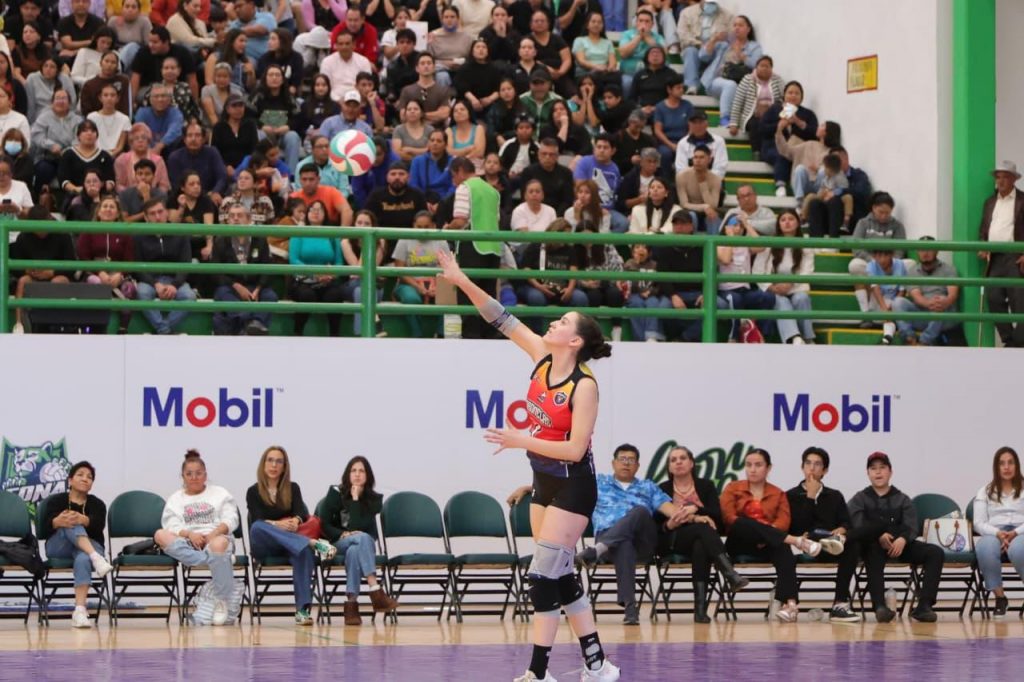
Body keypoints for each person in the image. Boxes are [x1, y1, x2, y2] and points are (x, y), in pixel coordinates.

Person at [437, 248, 620, 682]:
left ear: (575, 341)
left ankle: (538, 672)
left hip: (574, 486)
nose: (553, 323)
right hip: (544, 482)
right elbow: (498, 317)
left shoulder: (584, 386)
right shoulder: (541, 355)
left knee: (540, 576)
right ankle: (597, 664)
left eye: (563, 322)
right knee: (560, 574)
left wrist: (522, 440)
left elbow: (574, 450)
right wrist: (460, 280)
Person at [572, 444, 683, 624]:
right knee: (624, 543)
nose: (626, 463)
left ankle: (595, 551)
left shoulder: (647, 487)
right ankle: (631, 610)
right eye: (622, 459)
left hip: (642, 543)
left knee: (640, 511)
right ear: (613, 463)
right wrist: (530, 489)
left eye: (631, 460)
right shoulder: (598, 483)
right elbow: (566, 490)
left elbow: (673, 512)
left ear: (638, 465)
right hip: (611, 546)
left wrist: (693, 514)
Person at [720, 448, 821, 622]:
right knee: (742, 522)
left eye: (758, 465)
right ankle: (796, 541)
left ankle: (790, 605)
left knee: (784, 549)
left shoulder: (777, 493)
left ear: (768, 468)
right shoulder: (733, 488)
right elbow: (728, 518)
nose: (752, 469)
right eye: (748, 465)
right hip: (738, 542)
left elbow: (783, 522)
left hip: (768, 544)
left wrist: (765, 536)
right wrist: (764, 532)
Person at [656, 445, 749, 623]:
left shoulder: (706, 486)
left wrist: (697, 508)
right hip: (672, 540)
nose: (678, 462)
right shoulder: (662, 488)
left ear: (691, 463)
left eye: (682, 458)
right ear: (669, 467)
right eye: (673, 460)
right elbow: (656, 525)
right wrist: (670, 524)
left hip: (701, 540)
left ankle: (700, 611)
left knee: (701, 546)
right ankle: (730, 573)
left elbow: (717, 516)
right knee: (703, 527)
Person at [847, 452, 944, 623]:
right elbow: (856, 523)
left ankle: (924, 606)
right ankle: (880, 606)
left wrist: (903, 539)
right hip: (873, 547)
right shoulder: (860, 498)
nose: (878, 472)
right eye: (873, 468)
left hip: (901, 546)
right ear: (868, 473)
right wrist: (877, 535)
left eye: (882, 468)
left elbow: (911, 525)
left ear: (890, 472)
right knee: (872, 551)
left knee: (935, 552)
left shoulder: (902, 499)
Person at [246, 446, 336, 626]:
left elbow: (301, 511)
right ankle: (311, 542)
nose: (274, 465)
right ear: (263, 464)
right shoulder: (253, 491)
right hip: (266, 545)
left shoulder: (292, 488)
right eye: (270, 460)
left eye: (279, 461)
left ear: (284, 466)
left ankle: (302, 611)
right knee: (256, 527)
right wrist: (277, 524)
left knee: (304, 553)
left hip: (290, 544)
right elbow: (257, 518)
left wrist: (295, 520)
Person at [154, 450, 243, 626]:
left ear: (205, 475)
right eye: (189, 474)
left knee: (218, 545)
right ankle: (219, 561)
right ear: (183, 477)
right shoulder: (175, 499)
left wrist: (212, 535)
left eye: (198, 473)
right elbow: (171, 524)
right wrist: (190, 534)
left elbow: (231, 519)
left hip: (216, 538)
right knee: (159, 535)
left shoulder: (220, 493)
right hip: (188, 542)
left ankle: (221, 601)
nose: (194, 477)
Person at [784, 447, 861, 622]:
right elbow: (797, 528)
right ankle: (790, 603)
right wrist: (810, 496)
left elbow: (846, 522)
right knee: (812, 534)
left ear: (824, 470)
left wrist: (842, 529)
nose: (812, 468)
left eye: (817, 464)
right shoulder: (790, 495)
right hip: (806, 546)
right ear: (802, 467)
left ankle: (839, 604)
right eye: (808, 463)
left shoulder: (834, 495)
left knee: (854, 542)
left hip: (831, 546)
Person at [320, 456, 399, 625]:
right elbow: (323, 524)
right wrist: (342, 534)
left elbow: (357, 527)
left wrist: (355, 499)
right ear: (347, 474)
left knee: (355, 549)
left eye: (361, 471)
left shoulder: (374, 500)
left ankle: (351, 605)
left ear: (368, 475)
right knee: (361, 538)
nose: (357, 474)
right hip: (335, 543)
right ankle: (375, 589)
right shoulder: (335, 493)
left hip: (361, 544)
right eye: (353, 470)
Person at [39, 461, 112, 629]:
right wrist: (57, 521)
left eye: (89, 477)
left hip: (91, 544)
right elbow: (43, 528)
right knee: (70, 521)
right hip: (59, 547)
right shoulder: (56, 501)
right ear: (70, 480)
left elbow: (98, 526)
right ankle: (96, 558)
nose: (85, 479)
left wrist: (84, 520)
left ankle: (79, 611)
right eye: (80, 475)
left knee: (83, 558)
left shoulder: (97, 504)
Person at [211, 203, 278, 335]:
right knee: (222, 293)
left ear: (249, 219)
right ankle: (250, 323)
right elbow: (215, 271)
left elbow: (267, 265)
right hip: (231, 286)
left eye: (240, 215)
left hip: (255, 286)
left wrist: (259, 288)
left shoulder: (259, 239)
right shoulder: (220, 240)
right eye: (232, 216)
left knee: (271, 296)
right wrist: (236, 285)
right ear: (228, 220)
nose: (235, 219)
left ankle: (254, 323)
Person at [973, 447, 1024, 619]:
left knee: (1019, 549)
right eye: (1002, 463)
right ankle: (1000, 598)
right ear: (996, 467)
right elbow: (978, 523)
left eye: (1010, 463)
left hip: (1021, 532)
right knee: (985, 548)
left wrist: (1015, 532)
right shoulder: (985, 491)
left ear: (1017, 465)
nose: (1006, 467)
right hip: (994, 533)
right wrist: (998, 533)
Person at [135, 199, 198, 334]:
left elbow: (186, 263)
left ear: (167, 213)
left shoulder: (180, 233)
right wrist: (155, 284)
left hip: (175, 279)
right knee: (141, 293)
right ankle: (165, 330)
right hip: (150, 280)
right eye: (152, 214)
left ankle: (162, 329)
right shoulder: (138, 236)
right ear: (146, 217)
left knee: (190, 297)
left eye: (160, 212)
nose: (157, 217)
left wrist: (175, 285)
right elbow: (138, 266)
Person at [979, 160, 1024, 347]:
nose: (1001, 181)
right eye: (998, 177)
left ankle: (1020, 341)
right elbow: (984, 227)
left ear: (1014, 179)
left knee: (1019, 300)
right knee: (993, 297)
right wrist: (982, 245)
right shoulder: (990, 202)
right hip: (995, 257)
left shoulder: (1022, 200)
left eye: (1005, 177)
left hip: (1015, 256)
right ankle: (1009, 340)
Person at [288, 200, 347, 336]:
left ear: (325, 214)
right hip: (302, 281)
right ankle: (297, 334)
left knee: (335, 295)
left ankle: (335, 336)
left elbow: (339, 262)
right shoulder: (298, 232)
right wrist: (314, 273)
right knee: (306, 295)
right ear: (306, 214)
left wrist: (331, 274)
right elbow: (294, 260)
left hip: (327, 281)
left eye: (319, 209)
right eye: (312, 209)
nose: (315, 212)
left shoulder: (332, 234)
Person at [892, 237, 960, 346]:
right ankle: (909, 338)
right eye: (922, 249)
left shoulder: (948, 269)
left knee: (940, 300)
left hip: (943, 317)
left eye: (929, 249)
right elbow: (916, 296)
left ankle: (925, 341)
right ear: (918, 252)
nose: (925, 253)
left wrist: (944, 302)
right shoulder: (913, 271)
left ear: (936, 251)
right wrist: (929, 303)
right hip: (922, 314)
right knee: (898, 302)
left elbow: (952, 295)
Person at [849, 192, 907, 317]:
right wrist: (874, 262)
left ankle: (888, 306)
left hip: (890, 265)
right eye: (881, 212)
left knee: (910, 264)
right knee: (854, 266)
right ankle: (865, 312)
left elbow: (900, 249)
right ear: (874, 208)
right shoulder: (863, 223)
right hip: (869, 262)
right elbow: (856, 247)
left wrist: (889, 263)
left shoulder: (897, 226)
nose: (884, 216)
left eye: (888, 213)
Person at [759, 80, 818, 196]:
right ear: (784, 95)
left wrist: (799, 123)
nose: (793, 96)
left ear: (801, 97)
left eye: (797, 93)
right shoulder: (774, 110)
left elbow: (814, 134)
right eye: (790, 93)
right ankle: (780, 185)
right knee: (783, 154)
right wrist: (779, 126)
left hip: (799, 149)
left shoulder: (808, 114)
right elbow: (762, 129)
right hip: (773, 147)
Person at [701, 15, 760, 129]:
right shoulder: (724, 44)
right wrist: (714, 40)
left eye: (740, 25)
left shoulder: (754, 47)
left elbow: (756, 65)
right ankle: (725, 118)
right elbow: (703, 56)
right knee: (730, 85)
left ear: (748, 29)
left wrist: (740, 55)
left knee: (732, 85)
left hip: (740, 82)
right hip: (716, 80)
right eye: (735, 25)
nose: (736, 28)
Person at [806, 146, 872, 239]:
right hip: (827, 216)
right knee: (815, 203)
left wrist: (839, 192)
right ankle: (815, 241)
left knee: (835, 201)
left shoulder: (858, 175)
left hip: (849, 218)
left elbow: (862, 192)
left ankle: (834, 241)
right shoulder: (827, 177)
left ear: (846, 159)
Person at [573, 133, 627, 233]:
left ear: (613, 151)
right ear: (594, 148)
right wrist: (595, 208)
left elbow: (614, 193)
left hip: (607, 209)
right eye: (599, 147)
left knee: (623, 223)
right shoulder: (584, 162)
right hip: (586, 206)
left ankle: (606, 241)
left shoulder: (615, 169)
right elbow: (579, 188)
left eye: (605, 147)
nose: (601, 150)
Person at [676, 0, 733, 95]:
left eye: (713, 3)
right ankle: (692, 86)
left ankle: (708, 81)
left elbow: (732, 37)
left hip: (715, 51)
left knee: (724, 46)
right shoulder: (687, 12)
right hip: (695, 47)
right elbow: (683, 35)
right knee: (690, 51)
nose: (711, 5)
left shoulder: (727, 16)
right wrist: (700, 44)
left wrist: (717, 40)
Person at [728, 55, 783, 149]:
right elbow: (737, 102)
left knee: (775, 125)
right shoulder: (748, 79)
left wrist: (770, 109)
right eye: (762, 66)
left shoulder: (777, 80)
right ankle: (757, 151)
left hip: (771, 114)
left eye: (767, 66)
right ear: (756, 67)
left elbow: (782, 99)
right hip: (752, 115)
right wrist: (733, 124)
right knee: (757, 124)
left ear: (771, 69)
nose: (764, 69)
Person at [519, 138, 575, 216]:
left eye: (551, 154)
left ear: (557, 156)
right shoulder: (528, 172)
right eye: (544, 154)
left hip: (559, 215)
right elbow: (525, 198)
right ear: (538, 154)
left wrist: (554, 216)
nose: (547, 157)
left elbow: (567, 200)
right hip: (533, 213)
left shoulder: (566, 173)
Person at [397, 52, 453, 127]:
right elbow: (403, 117)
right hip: (412, 130)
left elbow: (444, 114)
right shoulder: (407, 91)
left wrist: (420, 115)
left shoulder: (443, 90)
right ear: (417, 68)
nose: (426, 66)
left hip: (437, 131)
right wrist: (433, 115)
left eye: (429, 63)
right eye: (422, 63)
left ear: (434, 67)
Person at [676, 144, 722, 234]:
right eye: (695, 157)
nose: (697, 160)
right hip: (689, 211)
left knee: (713, 216)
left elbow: (713, 205)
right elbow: (684, 204)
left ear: (709, 159)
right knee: (691, 215)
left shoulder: (716, 179)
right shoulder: (682, 176)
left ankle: (712, 242)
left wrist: (702, 183)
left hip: (708, 213)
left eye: (701, 157)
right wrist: (704, 207)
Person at [617, 9, 664, 94]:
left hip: (651, 74)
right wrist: (638, 37)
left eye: (647, 21)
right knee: (626, 83)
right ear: (636, 23)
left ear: (652, 24)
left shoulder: (658, 37)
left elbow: (663, 54)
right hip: (629, 74)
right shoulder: (626, 34)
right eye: (641, 21)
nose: (643, 24)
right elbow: (623, 54)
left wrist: (647, 38)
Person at [867, 249, 908, 345]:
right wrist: (885, 309)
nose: (882, 260)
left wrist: (892, 306)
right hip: (877, 301)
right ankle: (888, 335)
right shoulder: (871, 265)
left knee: (896, 306)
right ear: (874, 256)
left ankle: (887, 338)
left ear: (892, 254)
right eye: (879, 256)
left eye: (886, 255)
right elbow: (875, 289)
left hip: (894, 301)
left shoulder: (900, 264)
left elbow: (902, 290)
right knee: (887, 314)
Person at [114, 123, 171, 192]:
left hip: (153, 196)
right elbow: (119, 185)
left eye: (143, 138)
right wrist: (132, 193)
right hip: (129, 196)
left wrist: (153, 195)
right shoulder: (122, 160)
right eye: (136, 138)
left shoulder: (158, 161)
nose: (140, 141)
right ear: (131, 142)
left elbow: (164, 186)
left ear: (148, 141)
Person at [427, 5, 474, 89]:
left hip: (462, 69)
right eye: (446, 17)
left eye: (452, 17)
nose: (449, 20)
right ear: (442, 19)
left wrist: (460, 63)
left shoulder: (467, 37)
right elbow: (428, 59)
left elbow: (471, 58)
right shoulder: (433, 36)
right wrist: (445, 63)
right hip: (440, 70)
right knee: (442, 77)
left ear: (458, 19)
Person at [134, 83, 185, 156]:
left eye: (163, 96)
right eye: (156, 96)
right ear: (150, 100)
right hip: (146, 150)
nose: (160, 99)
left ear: (169, 99)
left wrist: (159, 146)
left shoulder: (176, 113)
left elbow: (174, 131)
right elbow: (139, 131)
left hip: (169, 151)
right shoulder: (142, 112)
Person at [673, 110, 728, 178]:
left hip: (714, 181)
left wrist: (707, 181)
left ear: (707, 124)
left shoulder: (718, 141)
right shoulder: (682, 143)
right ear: (689, 124)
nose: (698, 126)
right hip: (689, 181)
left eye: (700, 122)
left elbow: (720, 168)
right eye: (694, 123)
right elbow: (681, 169)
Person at [321, 31, 373, 102]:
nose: (344, 47)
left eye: (347, 43)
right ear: (336, 46)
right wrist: (338, 101)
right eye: (341, 44)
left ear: (354, 45)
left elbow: (366, 87)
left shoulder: (364, 61)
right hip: (333, 101)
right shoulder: (327, 62)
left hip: (358, 102)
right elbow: (325, 86)